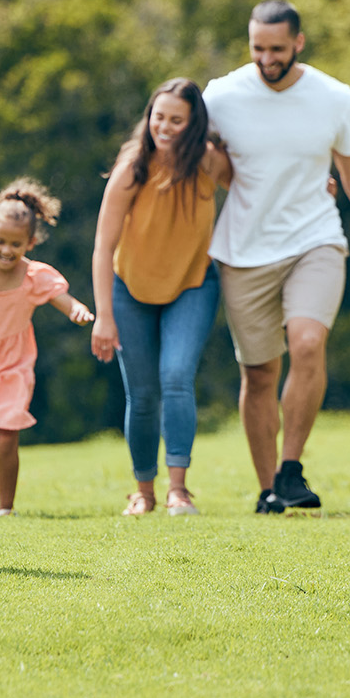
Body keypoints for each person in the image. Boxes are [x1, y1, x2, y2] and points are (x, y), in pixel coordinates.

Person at [203, 0, 350, 514]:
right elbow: (206, 166)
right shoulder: (221, 96)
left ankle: (292, 469)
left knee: (308, 343)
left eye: (277, 48)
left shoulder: (334, 97)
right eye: (258, 48)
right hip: (243, 251)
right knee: (260, 373)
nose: (267, 58)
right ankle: (270, 489)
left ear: (298, 43)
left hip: (316, 239)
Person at [91, 78, 231, 516]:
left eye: (176, 119)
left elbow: (262, 182)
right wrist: (103, 316)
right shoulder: (133, 166)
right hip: (130, 290)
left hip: (192, 285)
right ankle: (143, 491)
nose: (164, 127)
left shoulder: (209, 162)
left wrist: (317, 187)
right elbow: (102, 246)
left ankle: (179, 490)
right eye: (158, 117)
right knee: (144, 393)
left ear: (194, 125)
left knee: (175, 376)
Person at [0, 179, 94, 516]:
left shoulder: (33, 276)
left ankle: (7, 507)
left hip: (12, 367)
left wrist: (76, 309)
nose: (6, 250)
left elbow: (62, 299)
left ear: (30, 242)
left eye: (15, 245)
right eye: (0, 241)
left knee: (6, 440)